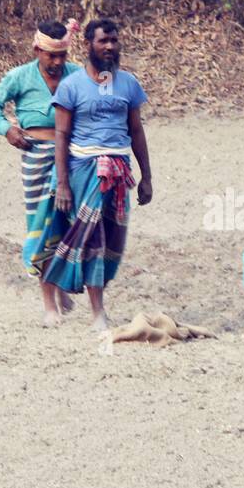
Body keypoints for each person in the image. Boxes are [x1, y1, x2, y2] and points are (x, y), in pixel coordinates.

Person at [30, 19, 153, 330]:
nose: (110, 46)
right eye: (103, 41)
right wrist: (62, 184)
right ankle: (94, 311)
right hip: (82, 172)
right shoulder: (71, 86)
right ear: (88, 45)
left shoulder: (128, 84)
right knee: (77, 238)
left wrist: (147, 177)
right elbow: (61, 134)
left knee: (111, 241)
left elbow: (136, 131)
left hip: (119, 174)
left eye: (114, 40)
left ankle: (94, 305)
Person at [0, 18, 83, 320]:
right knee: (40, 224)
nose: (56, 62)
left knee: (68, 223)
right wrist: (7, 129)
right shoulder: (20, 76)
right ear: (37, 50)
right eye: (50, 55)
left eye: (61, 55)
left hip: (72, 157)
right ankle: (49, 303)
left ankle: (62, 284)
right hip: (35, 156)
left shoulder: (77, 75)